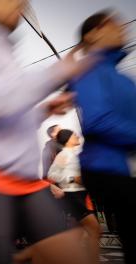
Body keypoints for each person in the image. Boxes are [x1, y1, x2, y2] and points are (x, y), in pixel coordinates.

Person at [0, 0, 96, 263]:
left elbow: (10, 113)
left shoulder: (5, 50)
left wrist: (43, 110)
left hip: (26, 184)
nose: (21, 4)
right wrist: (57, 73)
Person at [70, 10, 136, 263]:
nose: (122, 27)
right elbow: (97, 120)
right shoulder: (89, 69)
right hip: (105, 168)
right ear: (93, 33)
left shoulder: (125, 79)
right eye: (112, 22)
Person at [48, 129, 101, 263]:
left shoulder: (74, 154)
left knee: (76, 235)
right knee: (95, 230)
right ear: (67, 139)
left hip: (81, 194)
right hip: (72, 195)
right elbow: (52, 175)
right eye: (73, 135)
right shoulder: (64, 154)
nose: (77, 136)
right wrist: (72, 179)